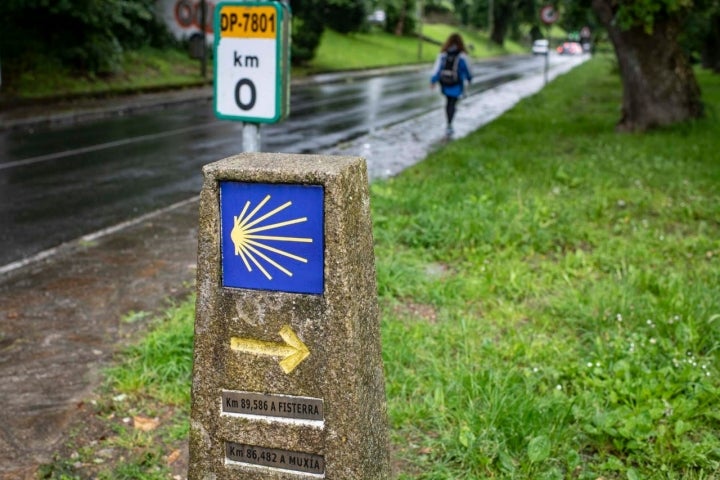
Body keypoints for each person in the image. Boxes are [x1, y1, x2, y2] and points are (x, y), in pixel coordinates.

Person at [430, 33, 473, 137]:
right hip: (457, 83)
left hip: (445, 82)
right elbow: (467, 70)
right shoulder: (462, 56)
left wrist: (433, 81)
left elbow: (437, 69)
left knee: (448, 102)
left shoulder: (443, 54)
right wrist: (469, 79)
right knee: (453, 103)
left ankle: (448, 123)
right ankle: (450, 124)